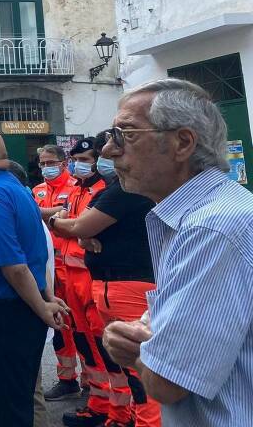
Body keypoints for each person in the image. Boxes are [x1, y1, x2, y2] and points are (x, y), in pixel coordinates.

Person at [101, 79, 253, 427]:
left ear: (182, 143)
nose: (108, 150)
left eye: (125, 134)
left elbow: (168, 384)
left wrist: (137, 351)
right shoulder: (203, 217)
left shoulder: (211, 228)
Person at [0, 128, 69, 427]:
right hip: (19, 308)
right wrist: (44, 297)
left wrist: (43, 306)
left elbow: (13, 264)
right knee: (17, 398)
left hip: (6, 314)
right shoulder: (15, 189)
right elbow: (33, 251)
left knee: (8, 407)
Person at [50, 132, 159, 427]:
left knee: (135, 362)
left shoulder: (121, 190)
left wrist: (58, 223)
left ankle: (139, 419)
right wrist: (81, 233)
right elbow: (82, 231)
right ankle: (115, 411)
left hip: (118, 286)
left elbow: (78, 226)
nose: (101, 159)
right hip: (97, 283)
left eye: (96, 157)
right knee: (102, 351)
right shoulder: (101, 190)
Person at [52, 138, 112, 427]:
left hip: (90, 276)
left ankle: (116, 408)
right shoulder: (77, 189)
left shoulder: (103, 191)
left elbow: (75, 226)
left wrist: (68, 225)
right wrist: (69, 226)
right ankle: (99, 404)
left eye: (87, 159)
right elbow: (69, 226)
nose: (80, 164)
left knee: (102, 345)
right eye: (77, 159)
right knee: (84, 342)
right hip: (70, 275)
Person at [33, 144, 81, 401]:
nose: (46, 168)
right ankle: (66, 378)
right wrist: (56, 214)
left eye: (50, 162)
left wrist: (45, 215)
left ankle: (96, 383)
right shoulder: (37, 191)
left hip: (74, 268)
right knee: (59, 327)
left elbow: (75, 218)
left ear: (63, 163)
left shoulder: (76, 187)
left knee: (84, 330)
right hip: (50, 269)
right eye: (42, 163)